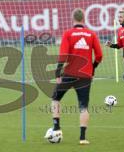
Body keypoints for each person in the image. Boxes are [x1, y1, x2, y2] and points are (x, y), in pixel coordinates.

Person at [45, 8, 103, 145]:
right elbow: (99, 56)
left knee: (55, 98)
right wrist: (93, 68)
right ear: (83, 19)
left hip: (69, 73)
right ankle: (82, 138)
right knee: (83, 106)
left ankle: (56, 127)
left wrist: (58, 72)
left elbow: (63, 55)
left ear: (73, 19)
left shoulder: (68, 34)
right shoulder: (91, 34)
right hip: (85, 76)